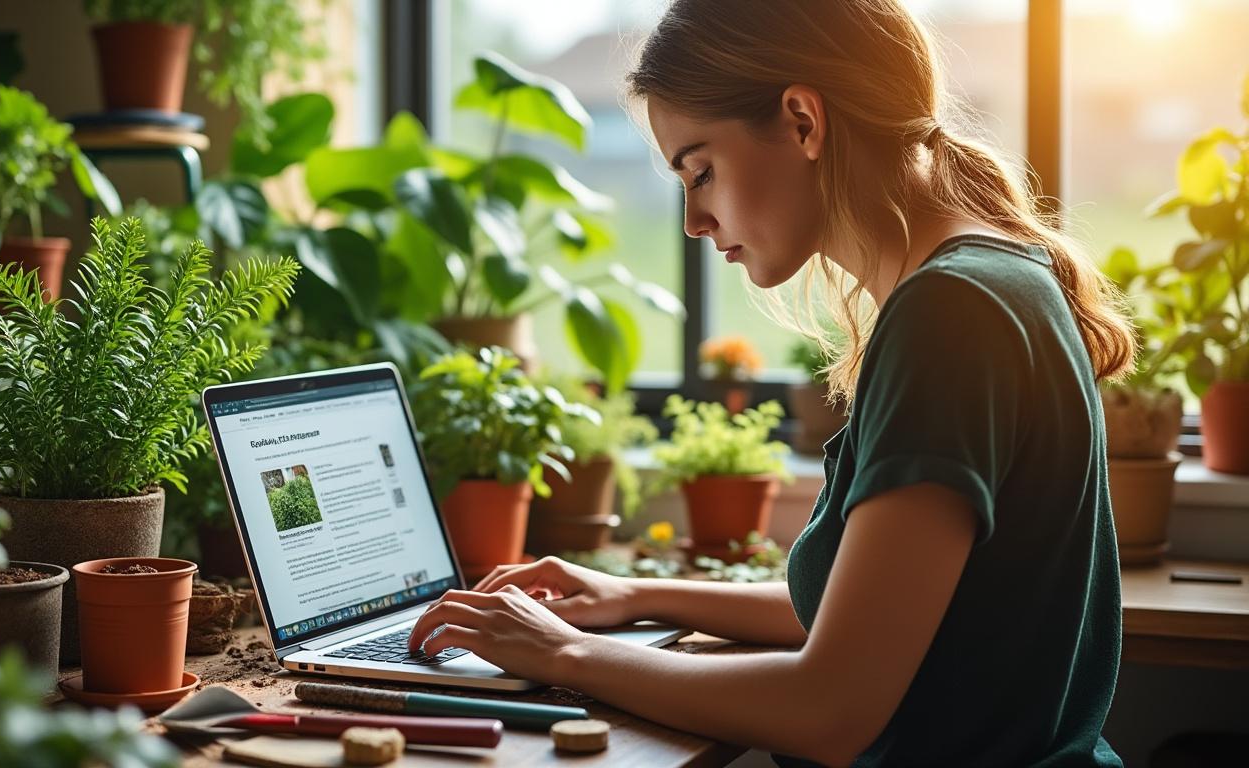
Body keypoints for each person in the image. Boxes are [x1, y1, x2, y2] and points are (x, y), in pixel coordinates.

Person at [408, 1, 1135, 765]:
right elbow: (865, 617)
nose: (692, 220)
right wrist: (637, 596)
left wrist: (563, 655)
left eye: (700, 171)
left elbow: (830, 708)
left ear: (801, 121)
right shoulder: (993, 277)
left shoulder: (951, 313)